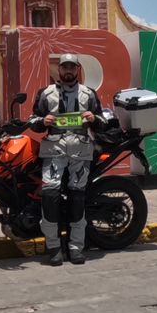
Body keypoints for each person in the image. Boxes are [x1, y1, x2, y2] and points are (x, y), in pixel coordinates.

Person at [31, 54, 105, 266]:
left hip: (80, 151)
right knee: (50, 194)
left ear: (78, 69)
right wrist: (42, 121)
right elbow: (33, 120)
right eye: (65, 67)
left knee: (77, 198)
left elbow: (102, 121)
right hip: (54, 150)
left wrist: (93, 119)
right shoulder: (46, 93)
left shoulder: (89, 94)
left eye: (72, 66)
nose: (69, 70)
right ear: (59, 70)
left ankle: (75, 247)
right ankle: (54, 246)